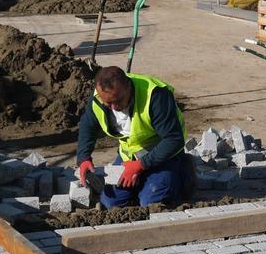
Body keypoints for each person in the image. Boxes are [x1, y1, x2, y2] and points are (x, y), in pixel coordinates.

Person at [75, 66, 189, 208]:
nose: (114, 107)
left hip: (164, 155)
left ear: (128, 86)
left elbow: (174, 139)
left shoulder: (155, 95)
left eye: (118, 100)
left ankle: (182, 175)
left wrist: (141, 165)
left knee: (150, 202)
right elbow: (88, 126)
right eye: (108, 103)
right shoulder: (99, 97)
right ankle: (143, 182)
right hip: (129, 156)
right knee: (111, 203)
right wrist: (83, 158)